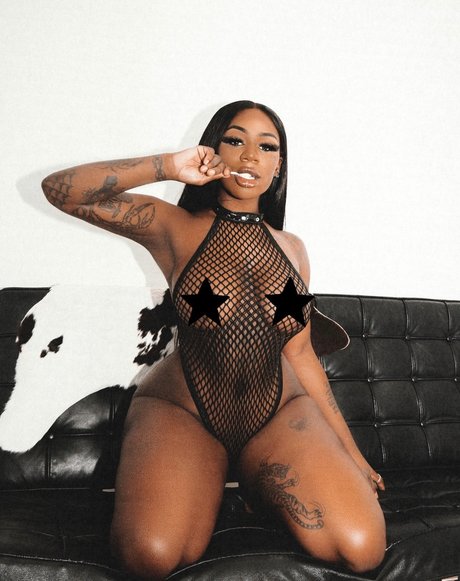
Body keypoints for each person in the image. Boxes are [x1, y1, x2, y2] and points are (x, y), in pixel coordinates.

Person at [41, 100, 387, 580]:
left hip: (277, 413)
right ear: (213, 147)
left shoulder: (293, 249)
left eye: (267, 146)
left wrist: (353, 454)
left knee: (362, 549)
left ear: (279, 165)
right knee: (152, 556)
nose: (250, 155)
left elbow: (301, 352)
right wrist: (169, 165)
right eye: (235, 140)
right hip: (185, 411)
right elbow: (60, 189)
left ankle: (258, 487)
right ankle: (219, 478)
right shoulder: (174, 227)